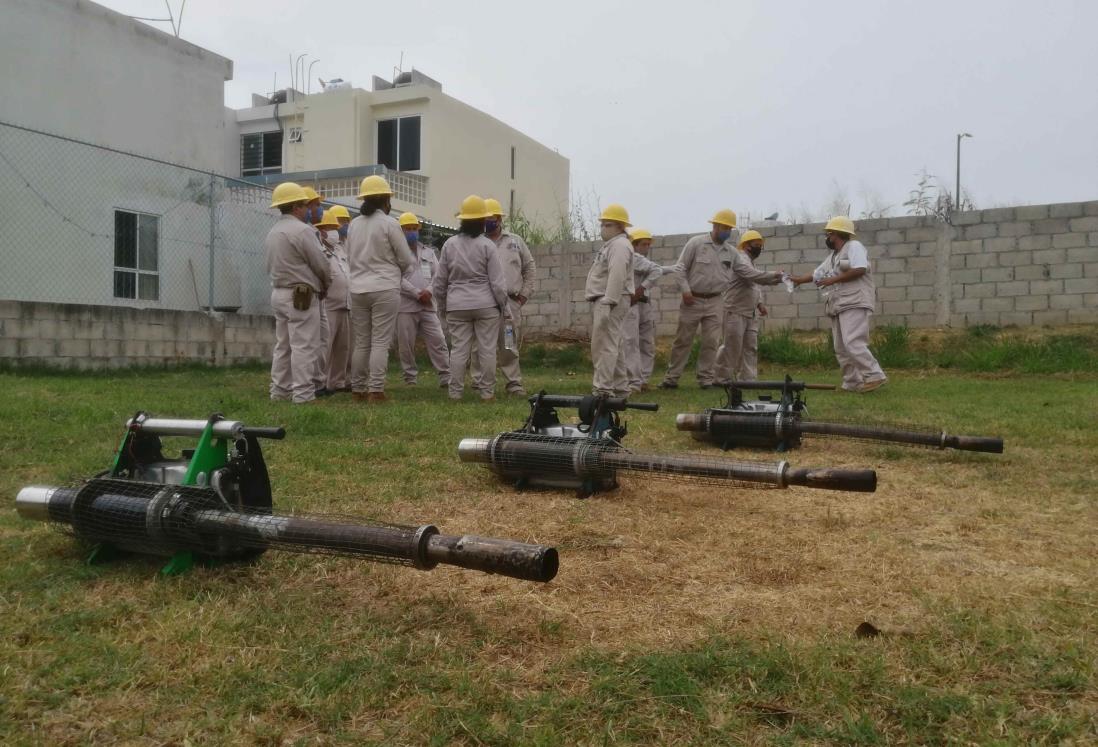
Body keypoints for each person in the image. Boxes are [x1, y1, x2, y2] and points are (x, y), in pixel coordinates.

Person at [790, 216, 887, 392]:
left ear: (837, 234)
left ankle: (874, 375)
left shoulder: (854, 247)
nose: (827, 237)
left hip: (855, 301)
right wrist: (796, 280)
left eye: (829, 234)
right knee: (841, 347)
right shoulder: (835, 256)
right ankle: (852, 382)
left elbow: (860, 268)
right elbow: (817, 274)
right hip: (840, 304)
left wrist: (832, 279)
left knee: (853, 342)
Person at [433, 195, 510, 401]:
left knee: (458, 351)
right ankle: (487, 393)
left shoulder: (449, 245)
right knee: (487, 350)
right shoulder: (487, 246)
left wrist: (442, 306)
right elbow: (497, 283)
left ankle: (455, 393)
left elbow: (440, 281)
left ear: (463, 219)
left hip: (457, 305)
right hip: (486, 305)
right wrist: (504, 307)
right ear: (482, 221)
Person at [346, 175, 415, 403]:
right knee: (380, 342)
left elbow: (349, 256)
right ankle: (376, 390)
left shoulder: (354, 225)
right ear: (386, 200)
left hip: (357, 289)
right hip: (384, 287)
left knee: (362, 342)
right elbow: (406, 259)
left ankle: (358, 389)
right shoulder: (389, 223)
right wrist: (396, 274)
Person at [264, 182, 331, 404]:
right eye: (304, 205)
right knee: (304, 345)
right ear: (295, 207)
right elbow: (320, 264)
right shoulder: (303, 231)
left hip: (279, 292)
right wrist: (325, 284)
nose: (308, 209)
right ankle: (303, 394)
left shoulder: (273, 231)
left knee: (283, 345)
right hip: (300, 295)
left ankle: (280, 391)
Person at [659, 209, 739, 389]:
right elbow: (680, 269)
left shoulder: (731, 252)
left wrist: (772, 277)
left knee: (711, 341)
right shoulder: (696, 243)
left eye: (730, 228)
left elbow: (745, 271)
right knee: (683, 340)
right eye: (725, 227)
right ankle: (671, 378)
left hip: (716, 301)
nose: (727, 231)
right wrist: (686, 291)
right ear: (715, 226)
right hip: (692, 299)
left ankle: (705, 379)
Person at [483, 197, 536, 395]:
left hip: (510, 303)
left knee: (508, 343)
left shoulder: (515, 241)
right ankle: (481, 382)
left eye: (492, 217)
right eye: (484, 218)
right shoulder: (478, 242)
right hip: (485, 303)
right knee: (481, 344)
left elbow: (529, 267)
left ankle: (513, 383)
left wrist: (524, 295)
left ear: (499, 218)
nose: (488, 221)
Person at [716, 230, 784, 383]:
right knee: (731, 346)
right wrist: (775, 275)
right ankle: (720, 378)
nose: (759, 248)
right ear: (746, 245)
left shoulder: (751, 261)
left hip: (750, 312)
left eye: (761, 246)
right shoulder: (740, 259)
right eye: (756, 245)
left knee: (750, 347)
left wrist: (760, 304)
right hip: (735, 310)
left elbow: (753, 285)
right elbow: (753, 276)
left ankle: (748, 379)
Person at [396, 212, 451, 388]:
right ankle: (410, 378)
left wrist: (428, 291)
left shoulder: (428, 252)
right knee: (406, 344)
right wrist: (415, 293)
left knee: (438, 340)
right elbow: (395, 277)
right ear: (400, 231)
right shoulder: (395, 253)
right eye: (408, 229)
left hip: (428, 305)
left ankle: (445, 376)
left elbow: (439, 274)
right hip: (405, 306)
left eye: (414, 229)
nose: (412, 232)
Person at [585, 204, 635, 396]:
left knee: (604, 344)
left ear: (620, 227)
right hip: (610, 299)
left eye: (608, 225)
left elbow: (617, 274)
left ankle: (603, 387)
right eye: (602, 225)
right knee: (614, 343)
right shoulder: (614, 245)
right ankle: (620, 385)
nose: (603, 229)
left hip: (610, 300)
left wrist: (609, 300)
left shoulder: (619, 246)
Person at [623, 228, 663, 392]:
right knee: (631, 341)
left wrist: (642, 289)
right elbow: (658, 270)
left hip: (644, 304)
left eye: (648, 244)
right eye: (643, 244)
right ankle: (635, 379)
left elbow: (658, 270)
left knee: (647, 343)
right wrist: (640, 290)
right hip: (632, 303)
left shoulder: (642, 261)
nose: (646, 248)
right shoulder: (632, 258)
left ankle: (643, 379)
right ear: (634, 245)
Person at [317, 208, 352, 393]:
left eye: (334, 227)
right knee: (326, 345)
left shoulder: (339, 249)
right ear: (321, 230)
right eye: (330, 227)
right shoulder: (318, 248)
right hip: (329, 303)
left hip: (345, 303)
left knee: (343, 347)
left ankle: (338, 382)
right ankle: (321, 382)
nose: (334, 231)